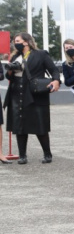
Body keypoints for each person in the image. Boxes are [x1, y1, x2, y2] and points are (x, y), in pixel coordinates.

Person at [3, 33, 60, 164]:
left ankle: (47, 154)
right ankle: (22, 155)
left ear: (26, 42)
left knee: (40, 124)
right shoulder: (15, 56)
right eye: (14, 41)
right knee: (19, 125)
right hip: (17, 93)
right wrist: (10, 71)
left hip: (35, 93)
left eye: (18, 41)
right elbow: (9, 77)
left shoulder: (40, 54)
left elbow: (54, 70)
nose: (15, 43)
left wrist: (56, 81)